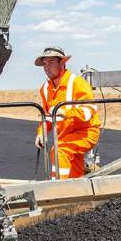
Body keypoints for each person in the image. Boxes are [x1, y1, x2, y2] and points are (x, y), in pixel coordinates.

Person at [34, 46, 101, 179]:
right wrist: (41, 133)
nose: (47, 67)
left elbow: (88, 111)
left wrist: (64, 111)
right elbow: (48, 116)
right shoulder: (45, 89)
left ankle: (58, 191)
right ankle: (77, 195)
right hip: (66, 136)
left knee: (59, 151)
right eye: (45, 64)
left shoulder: (77, 83)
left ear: (62, 63)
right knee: (73, 169)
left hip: (86, 133)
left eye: (51, 62)